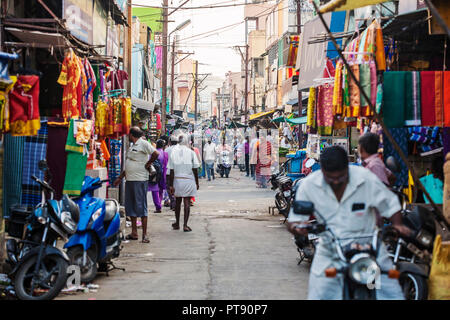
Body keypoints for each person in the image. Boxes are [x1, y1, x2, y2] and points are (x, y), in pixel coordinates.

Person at [287, 146, 411, 300]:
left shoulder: (365, 178)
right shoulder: (309, 185)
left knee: (390, 291)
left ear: (348, 168)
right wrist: (297, 228)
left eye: (341, 176)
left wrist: (398, 225)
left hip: (369, 245)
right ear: (322, 171)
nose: (336, 181)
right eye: (331, 178)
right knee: (320, 292)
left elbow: (390, 204)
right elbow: (294, 220)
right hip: (330, 248)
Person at [114, 126, 159, 243]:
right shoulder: (133, 146)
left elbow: (155, 153)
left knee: (141, 206)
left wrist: (148, 164)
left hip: (140, 180)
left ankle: (144, 234)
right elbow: (129, 164)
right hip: (130, 179)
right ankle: (134, 233)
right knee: (131, 206)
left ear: (131, 135)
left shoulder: (143, 143)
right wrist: (120, 177)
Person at [168, 133, 200, 232]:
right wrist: (196, 182)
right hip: (188, 179)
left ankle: (177, 223)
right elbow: (195, 168)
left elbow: (171, 171)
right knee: (187, 202)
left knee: (178, 202)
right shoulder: (191, 152)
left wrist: (171, 184)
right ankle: (185, 225)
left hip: (177, 180)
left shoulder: (173, 152)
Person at [148, 139, 168, 213]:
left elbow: (149, 162)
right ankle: (159, 203)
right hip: (163, 173)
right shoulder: (165, 154)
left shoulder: (153, 153)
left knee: (155, 190)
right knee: (161, 189)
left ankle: (158, 206)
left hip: (155, 173)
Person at [165, 135, 178, 210]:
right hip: (177, 172)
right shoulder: (180, 149)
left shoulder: (167, 150)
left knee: (169, 188)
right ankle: (175, 202)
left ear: (170, 142)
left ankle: (173, 202)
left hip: (168, 172)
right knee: (176, 188)